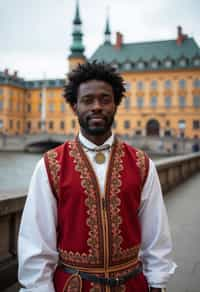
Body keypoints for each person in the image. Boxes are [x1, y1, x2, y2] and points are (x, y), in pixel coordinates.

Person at [18, 61, 176, 292]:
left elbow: (156, 234)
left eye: (105, 99)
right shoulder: (50, 165)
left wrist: (158, 283)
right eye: (87, 100)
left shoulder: (142, 164)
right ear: (74, 107)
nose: (97, 106)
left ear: (115, 105)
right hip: (74, 286)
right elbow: (36, 242)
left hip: (132, 286)